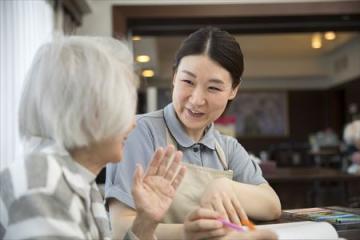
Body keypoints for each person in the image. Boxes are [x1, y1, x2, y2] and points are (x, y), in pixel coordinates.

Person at [0, 36, 187, 239]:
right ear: (89, 109)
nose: (133, 123)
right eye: (124, 107)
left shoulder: (81, 184)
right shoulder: (43, 179)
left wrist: (145, 222)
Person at [105, 26, 281, 239]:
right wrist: (187, 233)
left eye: (213, 88)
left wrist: (224, 186)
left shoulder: (226, 148)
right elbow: (119, 228)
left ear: (233, 90)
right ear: (173, 76)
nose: (197, 100)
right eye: (188, 81)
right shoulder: (138, 132)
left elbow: (272, 205)